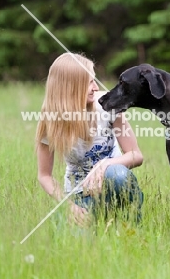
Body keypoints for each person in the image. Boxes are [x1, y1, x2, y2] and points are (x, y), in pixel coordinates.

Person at [36, 52, 144, 228]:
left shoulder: (108, 104)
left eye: (95, 80)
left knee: (116, 174)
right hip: (80, 196)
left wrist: (105, 165)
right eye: (89, 82)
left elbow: (136, 155)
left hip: (115, 185)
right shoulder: (51, 119)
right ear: (71, 87)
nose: (95, 87)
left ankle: (131, 228)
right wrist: (68, 206)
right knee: (65, 235)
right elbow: (44, 175)